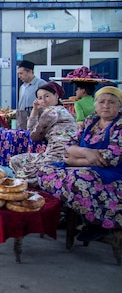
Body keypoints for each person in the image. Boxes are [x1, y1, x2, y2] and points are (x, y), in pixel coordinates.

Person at [38, 86, 122, 240]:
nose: (106, 105)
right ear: (95, 105)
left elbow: (109, 158)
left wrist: (75, 160)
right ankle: (75, 213)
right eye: (102, 102)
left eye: (111, 102)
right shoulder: (90, 121)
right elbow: (69, 146)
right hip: (81, 166)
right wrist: (86, 153)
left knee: (80, 180)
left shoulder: (119, 125)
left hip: (110, 173)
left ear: (119, 106)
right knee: (44, 171)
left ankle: (99, 223)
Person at [9, 82, 78, 187]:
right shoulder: (60, 110)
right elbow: (33, 132)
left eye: (47, 96)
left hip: (58, 155)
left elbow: (34, 136)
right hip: (50, 153)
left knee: (26, 175)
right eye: (40, 98)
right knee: (16, 160)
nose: (43, 100)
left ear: (56, 95)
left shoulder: (53, 111)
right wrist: (35, 110)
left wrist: (35, 112)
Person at [16, 60, 46, 130]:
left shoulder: (41, 84)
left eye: (21, 73)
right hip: (22, 119)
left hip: (35, 118)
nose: (19, 76)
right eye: (18, 74)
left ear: (30, 72)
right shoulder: (22, 87)